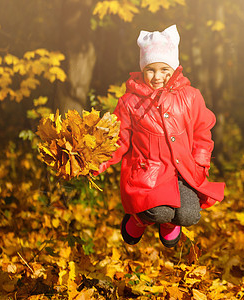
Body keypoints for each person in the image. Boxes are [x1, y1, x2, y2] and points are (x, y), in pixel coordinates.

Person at [95, 25, 225, 248]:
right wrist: (95, 162)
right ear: (142, 70)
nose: (157, 76)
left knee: (189, 215)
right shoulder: (130, 102)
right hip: (147, 174)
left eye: (164, 69)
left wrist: (201, 162)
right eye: (151, 70)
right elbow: (118, 139)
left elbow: (203, 131)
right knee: (159, 211)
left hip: (183, 172)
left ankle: (169, 222)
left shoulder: (191, 97)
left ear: (173, 69)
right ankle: (138, 218)